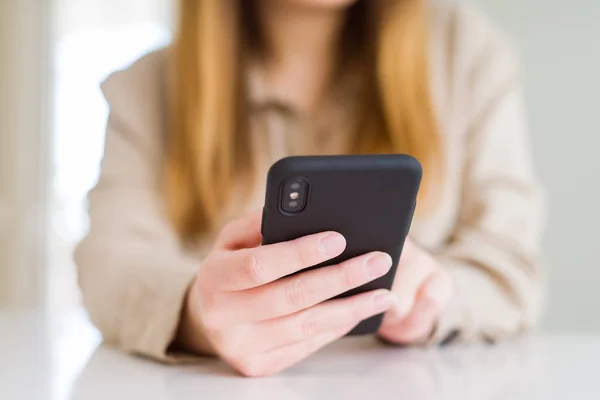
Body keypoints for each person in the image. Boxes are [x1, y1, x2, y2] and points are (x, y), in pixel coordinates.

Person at [74, 0, 546, 377]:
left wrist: (433, 299)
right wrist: (199, 312)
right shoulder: (148, 89)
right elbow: (110, 265)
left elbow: (511, 266)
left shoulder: (466, 56)